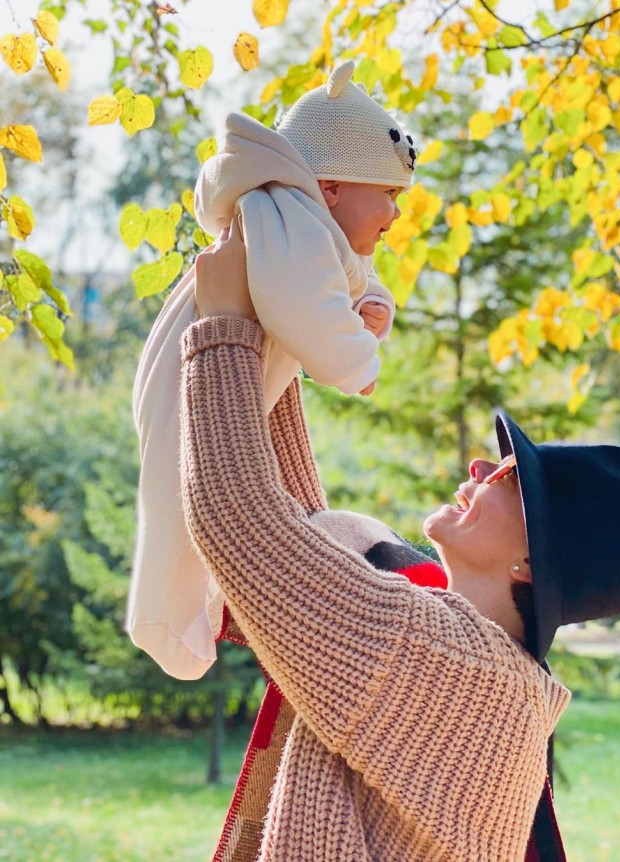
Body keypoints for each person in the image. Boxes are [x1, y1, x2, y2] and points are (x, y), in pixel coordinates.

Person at [177, 224, 620, 862]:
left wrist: (224, 326)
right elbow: (300, 545)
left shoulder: (444, 660)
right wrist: (285, 329)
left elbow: (241, 520)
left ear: (529, 563)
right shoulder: (482, 666)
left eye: (510, 478)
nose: (478, 469)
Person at [127, 59, 417, 679]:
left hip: (210, 367)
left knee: (191, 487)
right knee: (179, 497)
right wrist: (354, 361)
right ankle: (164, 615)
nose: (395, 215)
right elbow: (298, 302)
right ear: (332, 186)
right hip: (190, 371)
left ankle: (195, 603)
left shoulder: (305, 224)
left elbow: (345, 283)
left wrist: (369, 307)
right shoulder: (284, 213)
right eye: (388, 195)